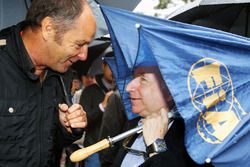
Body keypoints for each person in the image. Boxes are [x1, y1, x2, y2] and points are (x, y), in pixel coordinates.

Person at [0, 0, 96, 166]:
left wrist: (66, 128)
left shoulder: (62, 73)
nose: (84, 56)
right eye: (79, 44)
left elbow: (49, 144)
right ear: (48, 28)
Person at [112, 65, 213, 167]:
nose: (128, 87)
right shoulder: (133, 124)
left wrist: (156, 146)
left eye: (143, 79)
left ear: (170, 90)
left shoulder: (193, 140)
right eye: (134, 77)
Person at [79, 53, 116, 167]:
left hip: (114, 149)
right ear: (103, 66)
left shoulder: (122, 91)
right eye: (111, 66)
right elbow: (84, 121)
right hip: (94, 150)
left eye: (118, 66)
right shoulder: (90, 91)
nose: (114, 70)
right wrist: (102, 106)